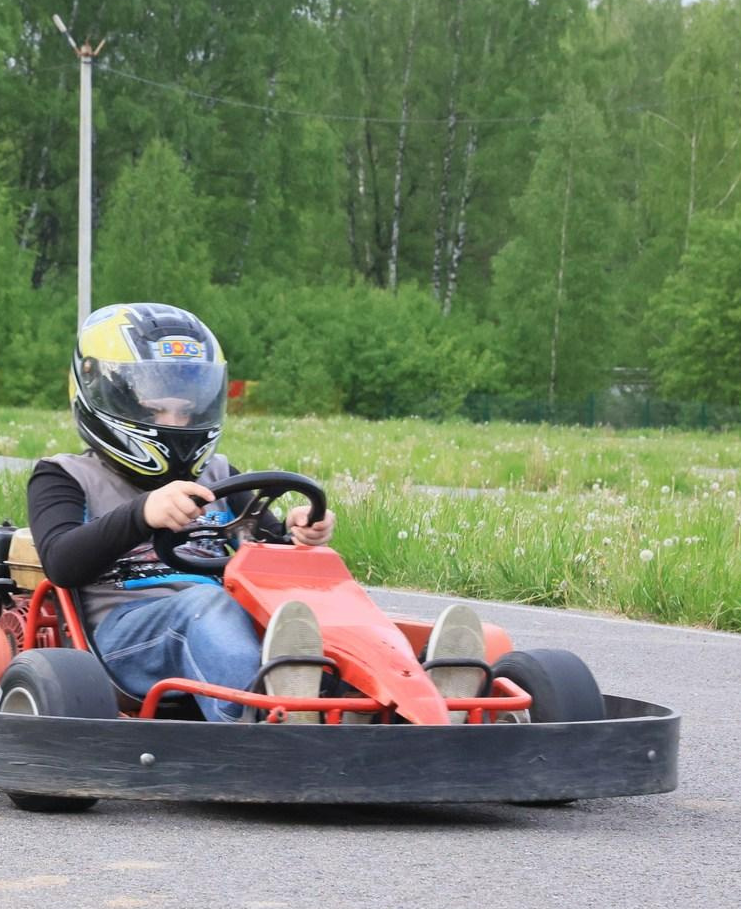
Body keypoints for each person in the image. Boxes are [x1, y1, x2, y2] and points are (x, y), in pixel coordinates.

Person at [26, 302, 486, 722]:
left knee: (309, 606)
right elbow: (62, 562)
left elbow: (266, 554)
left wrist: (297, 536)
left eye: (186, 410)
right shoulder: (64, 476)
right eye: (156, 408)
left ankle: (410, 704)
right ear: (104, 395)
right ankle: (260, 715)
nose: (174, 423)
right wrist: (141, 514)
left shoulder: (220, 475)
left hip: (226, 616)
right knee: (203, 605)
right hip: (128, 633)